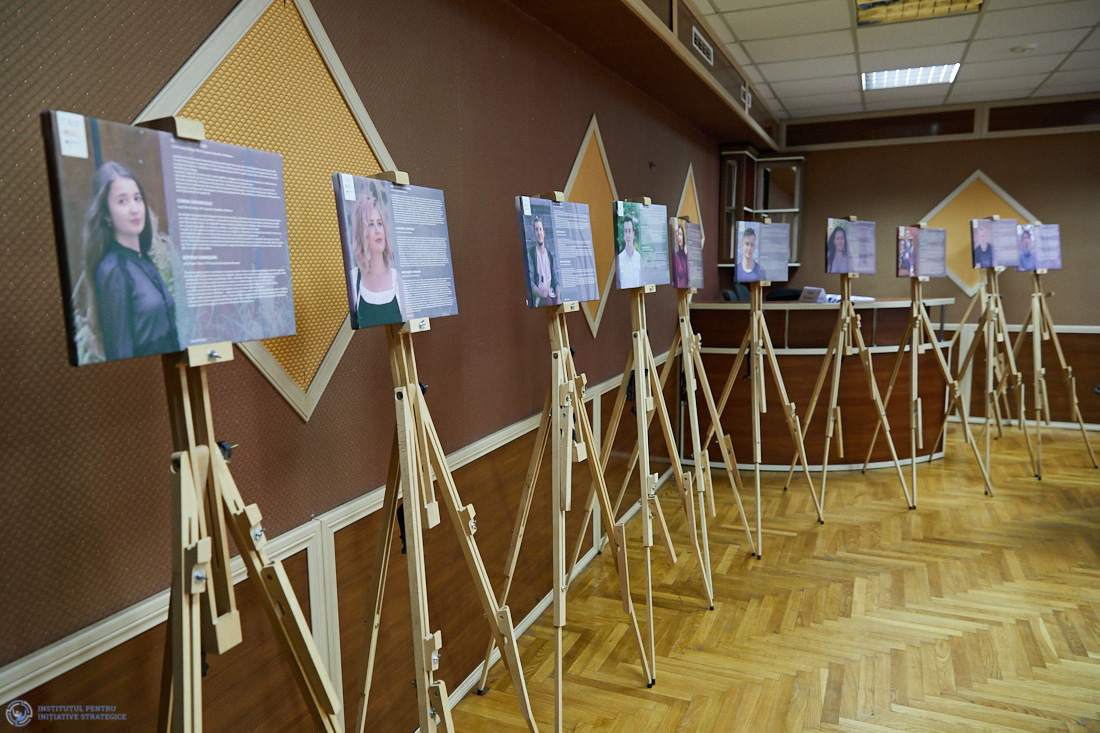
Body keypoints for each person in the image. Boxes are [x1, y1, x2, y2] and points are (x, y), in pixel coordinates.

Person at [81, 160, 178, 362]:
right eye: (122, 201)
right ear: (106, 214)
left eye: (137, 198)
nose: (134, 208)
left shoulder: (143, 259)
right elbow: (120, 353)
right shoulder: (113, 269)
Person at [350, 192, 403, 328]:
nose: (378, 230)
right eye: (371, 225)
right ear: (361, 233)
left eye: (379, 223)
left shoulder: (398, 281)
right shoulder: (354, 279)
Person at [527, 215, 560, 306]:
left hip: (552, 295)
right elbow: (530, 282)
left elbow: (556, 281)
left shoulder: (550, 256)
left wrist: (559, 298)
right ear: (534, 233)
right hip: (540, 298)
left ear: (544, 233)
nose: (539, 233)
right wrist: (541, 293)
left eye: (540, 229)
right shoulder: (531, 254)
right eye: (536, 230)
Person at [616, 216, 642, 288]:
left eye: (629, 231)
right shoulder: (618, 260)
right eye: (626, 231)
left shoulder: (639, 258)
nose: (628, 235)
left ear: (633, 234)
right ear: (623, 235)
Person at [671, 220, 689, 288]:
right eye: (678, 234)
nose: (679, 237)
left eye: (680, 234)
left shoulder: (686, 255)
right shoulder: (675, 256)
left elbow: (690, 275)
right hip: (680, 289)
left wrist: (686, 254)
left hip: (687, 288)